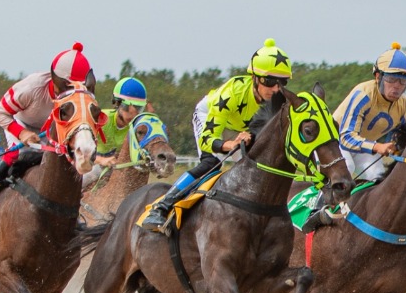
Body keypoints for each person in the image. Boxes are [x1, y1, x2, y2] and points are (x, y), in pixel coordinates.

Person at [140, 40, 292, 233]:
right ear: (254, 77)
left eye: (282, 82)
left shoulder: (277, 99)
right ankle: (161, 207)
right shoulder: (230, 96)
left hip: (237, 126)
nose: (276, 89)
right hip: (209, 117)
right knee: (212, 163)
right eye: (269, 82)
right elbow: (207, 140)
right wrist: (231, 144)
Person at [0, 43, 93, 223]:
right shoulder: (31, 88)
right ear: (55, 79)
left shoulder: (80, 99)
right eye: (67, 88)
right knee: (17, 155)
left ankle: (72, 212)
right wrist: (22, 133)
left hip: (48, 130)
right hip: (20, 122)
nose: (71, 94)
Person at [333, 43, 406, 184]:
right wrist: (377, 147)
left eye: (403, 81)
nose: (397, 86)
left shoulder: (405, 105)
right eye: (391, 79)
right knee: (347, 168)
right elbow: (345, 138)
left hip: (363, 147)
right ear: (378, 77)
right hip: (333, 143)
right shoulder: (363, 94)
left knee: (379, 176)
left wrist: (397, 145)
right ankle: (319, 204)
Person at [93, 76, 150, 169]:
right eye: (128, 106)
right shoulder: (100, 119)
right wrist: (101, 160)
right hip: (92, 167)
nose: (133, 113)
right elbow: (79, 153)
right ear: (117, 103)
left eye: (138, 108)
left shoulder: (137, 128)